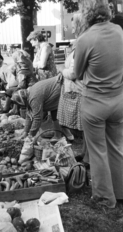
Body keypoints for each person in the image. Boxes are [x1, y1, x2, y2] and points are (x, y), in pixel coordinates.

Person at [74, 0, 123, 208]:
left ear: (86, 14)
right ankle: (120, 193)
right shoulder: (120, 31)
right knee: (117, 147)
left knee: (98, 152)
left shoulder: (85, 38)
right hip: (119, 100)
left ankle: (104, 198)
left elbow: (77, 73)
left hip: (94, 103)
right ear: (106, 11)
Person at [57, 12, 87, 141]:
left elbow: (74, 73)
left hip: (79, 91)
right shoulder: (80, 44)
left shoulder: (82, 43)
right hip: (76, 90)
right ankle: (86, 156)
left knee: (85, 128)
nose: (71, 29)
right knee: (84, 128)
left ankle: (88, 157)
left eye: (73, 26)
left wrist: (62, 70)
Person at [0, 49, 37, 114]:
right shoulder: (28, 64)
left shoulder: (22, 71)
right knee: (13, 89)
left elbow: (22, 85)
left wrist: (16, 86)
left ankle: (7, 109)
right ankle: (14, 109)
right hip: (33, 87)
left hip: (30, 89)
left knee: (10, 91)